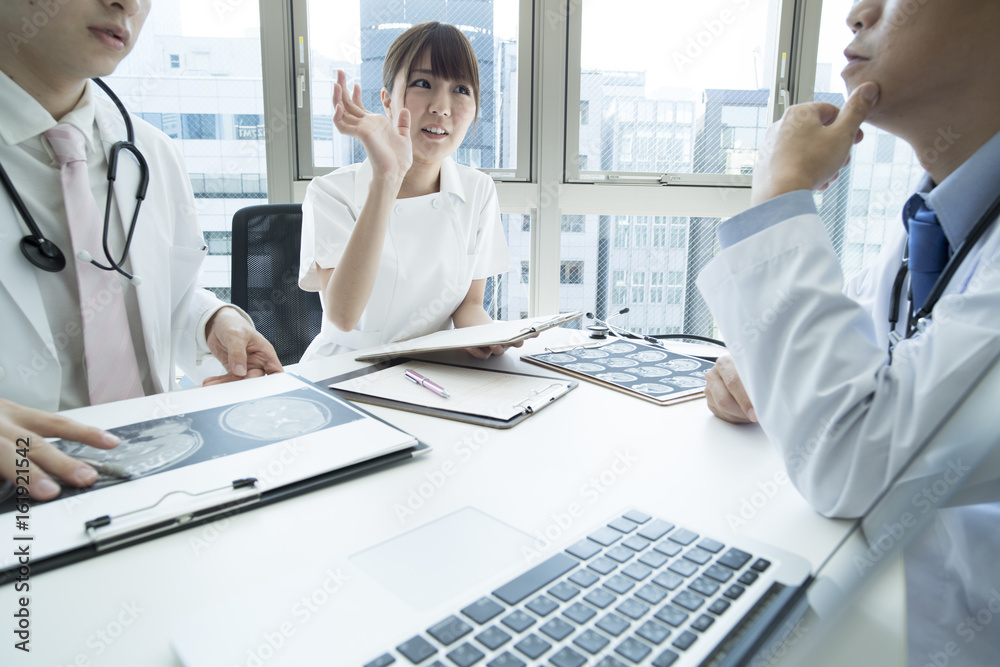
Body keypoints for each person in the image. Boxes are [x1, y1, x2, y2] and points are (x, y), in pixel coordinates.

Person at [696, 0, 1000, 663]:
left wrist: (781, 193)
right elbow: (834, 361)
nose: (858, 13)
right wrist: (764, 366)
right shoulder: (932, 222)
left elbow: (848, 455)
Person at [0, 0, 282, 501]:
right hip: (20, 502)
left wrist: (211, 321)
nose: (128, 3)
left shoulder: (150, 151)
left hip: (160, 474)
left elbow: (163, 291)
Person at [298, 21, 514, 363]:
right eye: (423, 84)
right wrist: (387, 178)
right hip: (346, 370)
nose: (441, 107)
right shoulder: (330, 192)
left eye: (461, 89)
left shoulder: (478, 190)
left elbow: (470, 305)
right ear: (387, 100)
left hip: (434, 368)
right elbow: (342, 316)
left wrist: (489, 336)